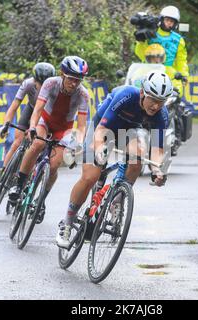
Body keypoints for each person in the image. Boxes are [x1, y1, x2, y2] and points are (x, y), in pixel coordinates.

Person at [56, 71, 172, 248]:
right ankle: (67, 222)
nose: (156, 106)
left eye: (161, 102)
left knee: (137, 157)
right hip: (102, 126)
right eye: (153, 99)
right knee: (90, 177)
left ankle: (117, 200)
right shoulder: (127, 95)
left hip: (129, 130)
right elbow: (101, 129)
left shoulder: (162, 115)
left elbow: (157, 149)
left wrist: (158, 171)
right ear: (142, 93)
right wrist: (99, 147)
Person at [8, 56, 90, 223]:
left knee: (54, 165)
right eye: (71, 79)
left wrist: (78, 144)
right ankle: (19, 183)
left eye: (78, 80)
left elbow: (81, 127)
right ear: (62, 74)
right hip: (44, 121)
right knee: (38, 143)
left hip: (64, 128)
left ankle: (41, 200)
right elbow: (37, 110)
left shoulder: (83, 94)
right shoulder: (50, 83)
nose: (74, 84)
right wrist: (32, 127)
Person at [0, 62, 56, 201]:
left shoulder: (54, 88)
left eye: (45, 84)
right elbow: (14, 106)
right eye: (39, 84)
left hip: (46, 115)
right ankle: (0, 184)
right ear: (34, 80)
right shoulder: (28, 84)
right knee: (17, 142)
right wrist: (6, 124)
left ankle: (27, 180)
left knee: (38, 147)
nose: (42, 87)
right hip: (31, 109)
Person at [135, 6, 189, 81]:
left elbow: (181, 60)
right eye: (167, 20)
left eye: (171, 21)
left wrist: (184, 75)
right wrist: (140, 41)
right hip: (148, 72)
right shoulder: (151, 33)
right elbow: (141, 54)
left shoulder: (179, 39)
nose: (169, 23)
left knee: (176, 91)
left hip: (169, 76)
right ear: (161, 19)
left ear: (175, 24)